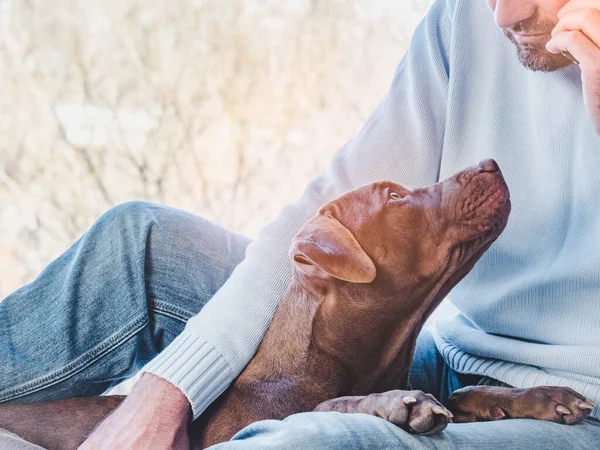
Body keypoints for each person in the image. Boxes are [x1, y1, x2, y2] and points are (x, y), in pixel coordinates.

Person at [2, 0, 600, 448]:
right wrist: (164, 393)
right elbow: (327, 211)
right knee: (144, 245)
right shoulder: (467, 17)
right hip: (438, 355)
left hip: (578, 401)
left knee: (315, 442)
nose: (503, 15)